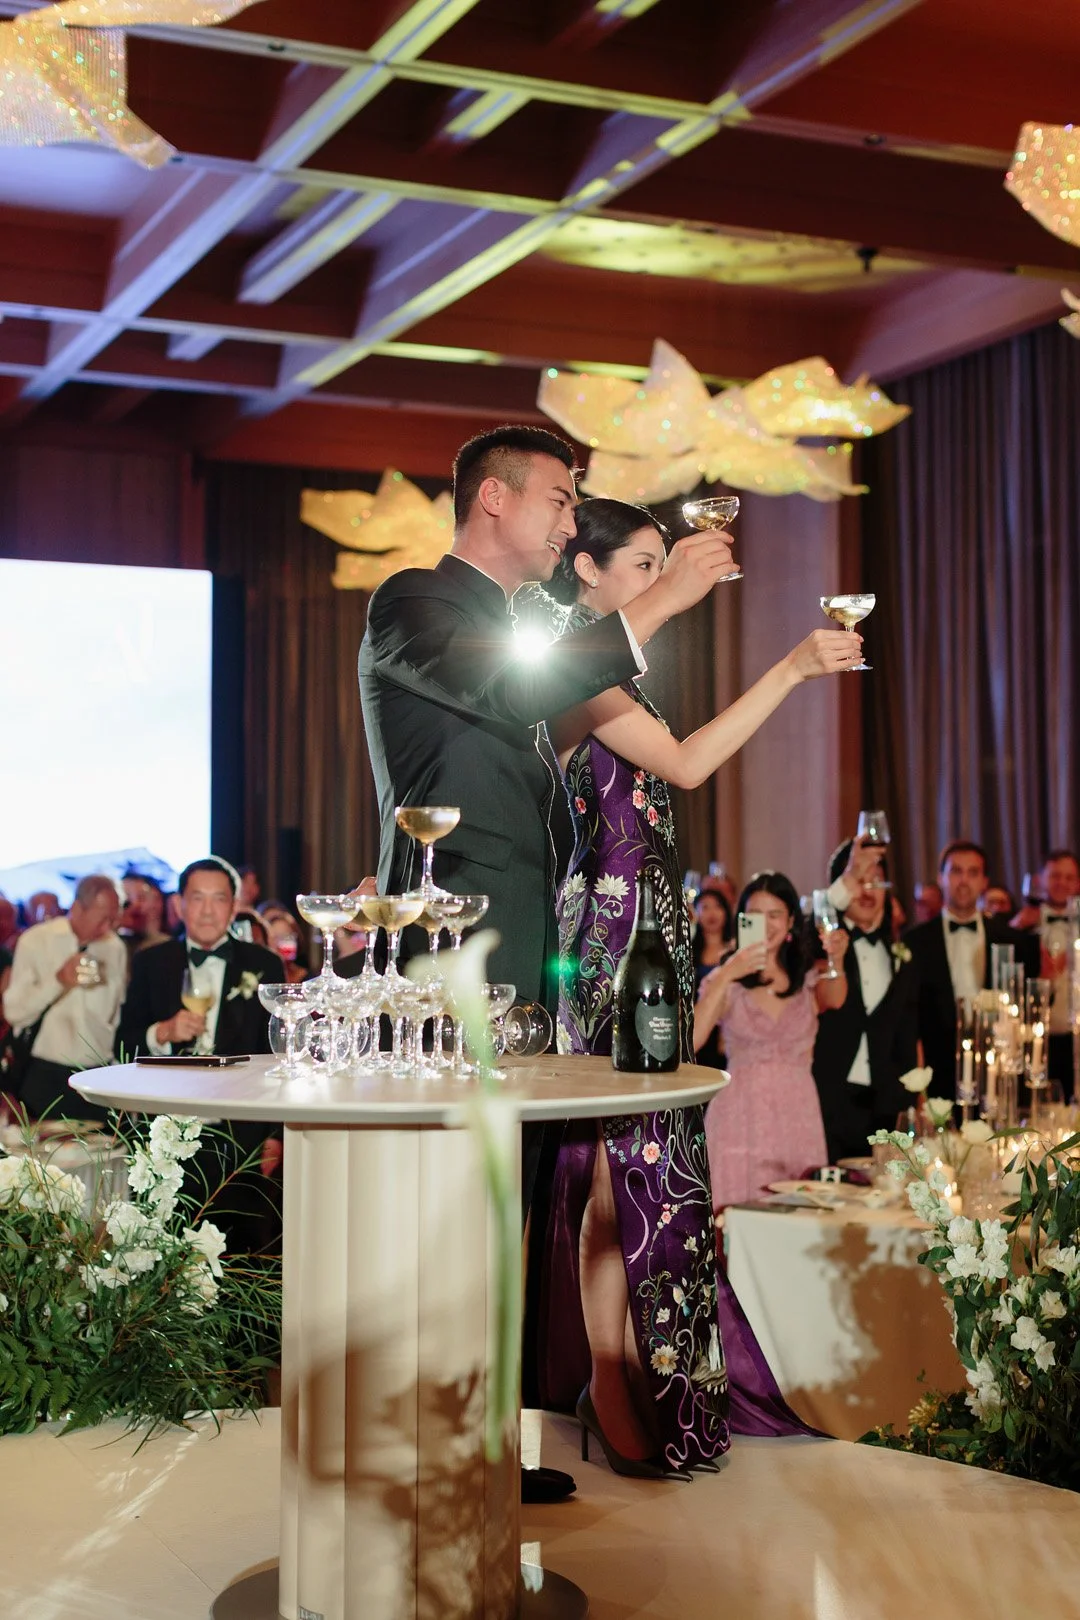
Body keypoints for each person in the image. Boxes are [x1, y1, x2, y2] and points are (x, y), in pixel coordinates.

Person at [357, 428, 746, 1501]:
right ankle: (413, 1445)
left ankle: (479, 1446)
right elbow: (508, 699)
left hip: (529, 945)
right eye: (562, 501)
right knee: (444, 1201)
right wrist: (659, 599)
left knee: (511, 1199)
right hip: (446, 943)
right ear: (494, 499)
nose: (572, 522)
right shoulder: (411, 605)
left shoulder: (525, 626)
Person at [537, 498, 855, 1475]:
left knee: (651, 1171)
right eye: (639, 563)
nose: (655, 578)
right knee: (608, 1175)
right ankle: (605, 1373)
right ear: (586, 573)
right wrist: (793, 670)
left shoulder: (615, 681)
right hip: (606, 944)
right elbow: (688, 763)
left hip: (655, 939)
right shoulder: (571, 675)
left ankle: (641, 1370)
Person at [116, 857, 284, 1253]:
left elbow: (280, 1055)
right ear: (179, 905)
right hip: (165, 1137)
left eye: (219, 899)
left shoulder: (263, 964)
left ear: (233, 906)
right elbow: (121, 1044)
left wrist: (277, 1134)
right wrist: (164, 1032)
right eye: (197, 898)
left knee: (244, 1258)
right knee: (161, 1254)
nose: (207, 910)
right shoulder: (151, 962)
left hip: (240, 1143)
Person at [696, 870, 845, 1210]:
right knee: (734, 1229)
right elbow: (693, 1037)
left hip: (799, 1116)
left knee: (800, 1229)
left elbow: (836, 999)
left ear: (791, 919)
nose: (766, 923)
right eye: (756, 915)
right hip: (739, 1117)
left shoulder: (807, 975)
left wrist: (836, 957)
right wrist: (728, 973)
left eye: (775, 914)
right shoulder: (728, 978)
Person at [903, 841, 1040, 1099]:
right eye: (956, 871)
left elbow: (1027, 1007)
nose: (964, 880)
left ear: (984, 881)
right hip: (936, 1073)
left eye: (973, 872)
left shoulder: (1013, 940)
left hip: (998, 1074)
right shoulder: (914, 942)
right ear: (941, 878)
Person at [811, 838, 919, 1162]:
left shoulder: (901, 955)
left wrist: (914, 1101)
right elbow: (813, 916)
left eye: (876, 882)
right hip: (831, 1099)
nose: (868, 892)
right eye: (860, 882)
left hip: (887, 1107)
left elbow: (908, 1035)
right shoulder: (821, 945)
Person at [2, 874, 126, 1122]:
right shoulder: (36, 941)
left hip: (98, 1075)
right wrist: (59, 981)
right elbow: (14, 1012)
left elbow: (118, 1013)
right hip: (46, 1075)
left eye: (114, 918)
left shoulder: (115, 948)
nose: (109, 926)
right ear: (78, 908)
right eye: (103, 918)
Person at [1010, 848, 1080, 1093]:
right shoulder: (1022, 925)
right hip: (1037, 1037)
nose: (1061, 883)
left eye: (1069, 877)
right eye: (1055, 876)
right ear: (1041, 880)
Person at [692, 886, 734, 1070]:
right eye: (705, 907)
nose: (711, 913)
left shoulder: (736, 953)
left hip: (726, 1029)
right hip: (695, 1025)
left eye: (717, 906)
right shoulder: (688, 952)